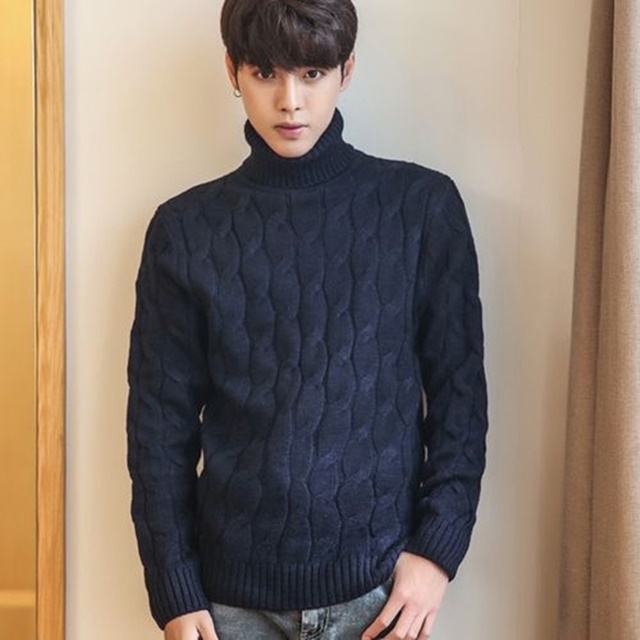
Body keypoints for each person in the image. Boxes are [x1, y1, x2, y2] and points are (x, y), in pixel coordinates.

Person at [125, 1, 489, 638]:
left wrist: (436, 552)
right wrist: (173, 588)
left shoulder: (421, 208)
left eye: (312, 74)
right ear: (233, 71)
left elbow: (460, 398)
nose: (290, 101)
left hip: (379, 598)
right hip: (229, 606)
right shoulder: (184, 230)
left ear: (347, 70)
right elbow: (159, 430)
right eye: (266, 73)